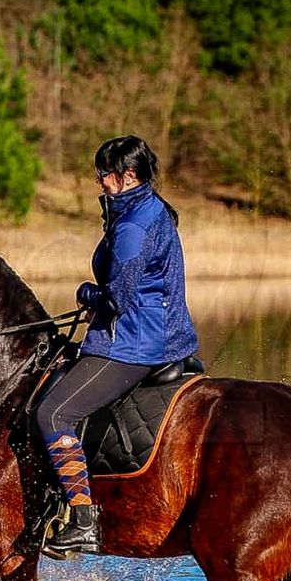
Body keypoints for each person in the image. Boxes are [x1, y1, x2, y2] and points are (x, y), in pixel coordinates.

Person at [34, 135, 199, 554]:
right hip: (159, 333)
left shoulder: (133, 225)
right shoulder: (148, 208)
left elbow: (117, 298)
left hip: (134, 342)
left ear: (128, 176)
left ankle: (83, 520)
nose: (98, 181)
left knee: (52, 413)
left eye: (104, 173)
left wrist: (85, 293)